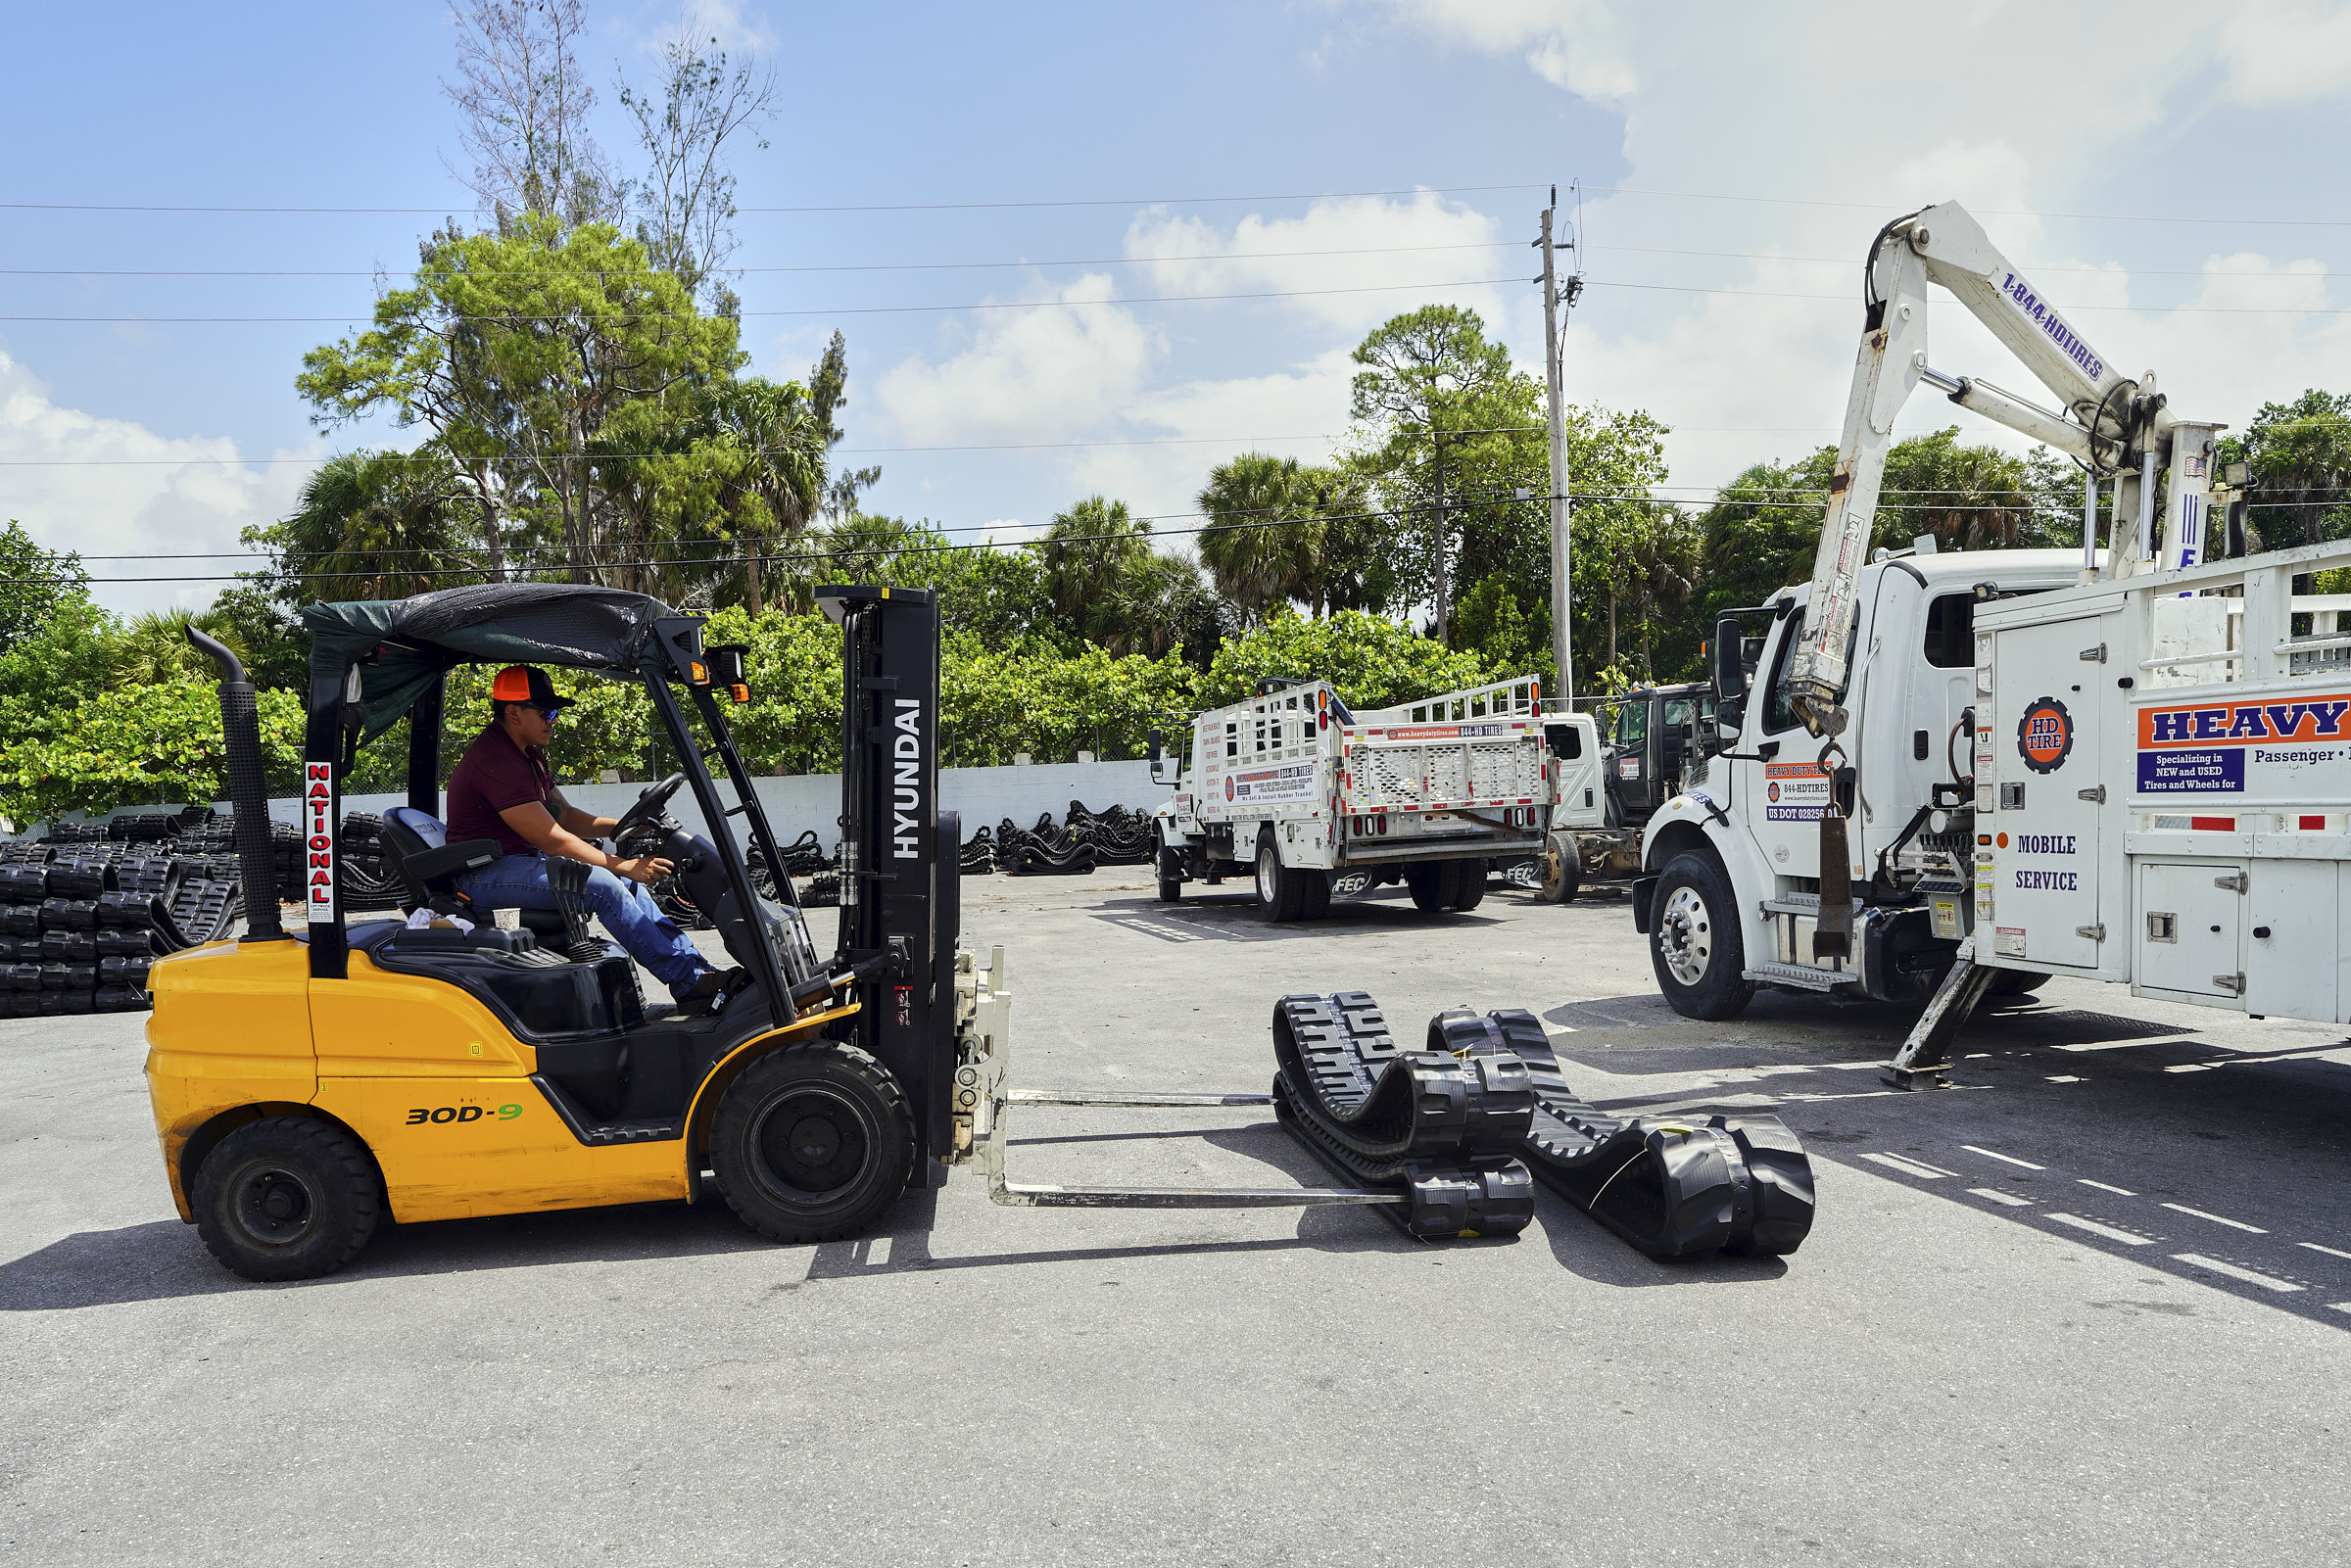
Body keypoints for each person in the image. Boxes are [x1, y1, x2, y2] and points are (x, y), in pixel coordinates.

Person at [446, 665, 732, 1007]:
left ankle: (696, 969)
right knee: (604, 885)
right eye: (546, 712)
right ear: (513, 712)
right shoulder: (496, 760)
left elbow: (565, 817)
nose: (553, 721)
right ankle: (688, 982)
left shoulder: (527, 756)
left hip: (516, 863)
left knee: (626, 884)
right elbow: (553, 839)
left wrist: (626, 825)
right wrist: (622, 864)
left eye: (554, 713)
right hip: (482, 875)